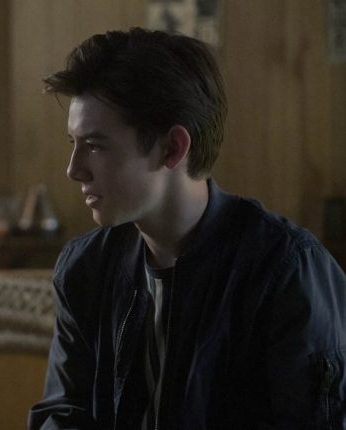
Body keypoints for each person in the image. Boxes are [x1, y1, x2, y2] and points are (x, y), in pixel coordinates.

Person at [28, 27, 346, 429]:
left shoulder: (285, 271)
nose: (74, 170)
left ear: (173, 148)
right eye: (73, 144)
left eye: (94, 145)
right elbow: (62, 415)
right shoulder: (86, 268)